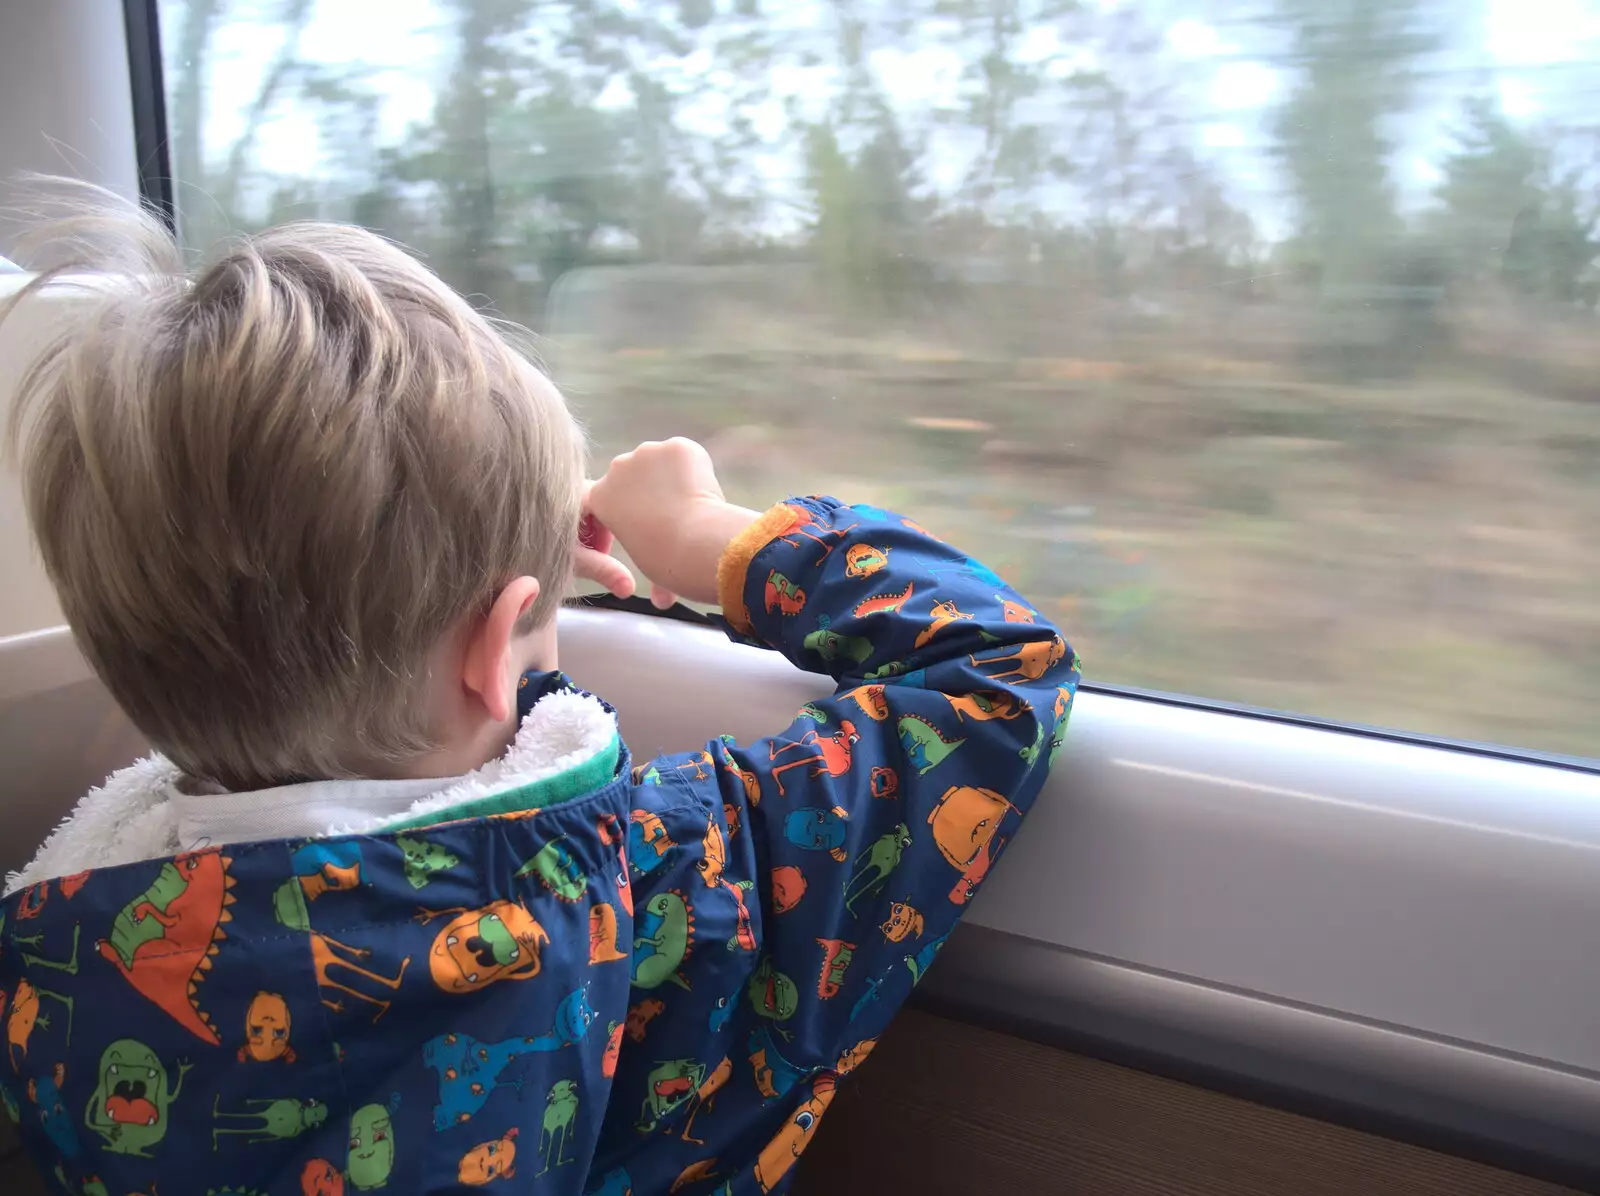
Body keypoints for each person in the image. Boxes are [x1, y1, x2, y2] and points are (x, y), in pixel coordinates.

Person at [0, 177, 1080, 1195]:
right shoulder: (652, 884)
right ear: (498, 642)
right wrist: (717, 541)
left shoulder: (63, 967)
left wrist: (478, 579)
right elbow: (997, 673)